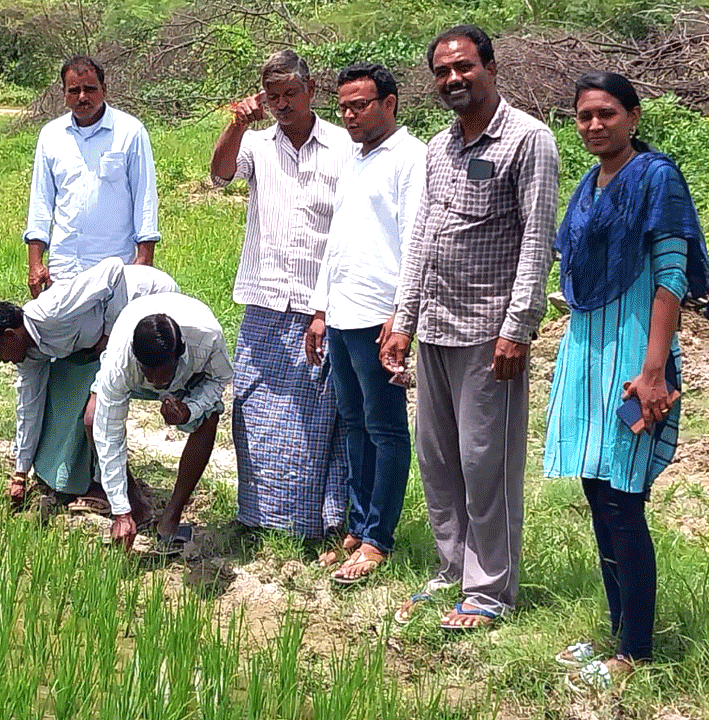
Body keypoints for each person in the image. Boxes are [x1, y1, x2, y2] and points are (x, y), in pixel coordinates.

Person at [380, 26, 559, 628]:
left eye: (463, 67)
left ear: (489, 67)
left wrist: (519, 327)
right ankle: (451, 570)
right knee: (439, 462)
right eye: (442, 71)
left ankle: (488, 592)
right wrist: (403, 319)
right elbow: (423, 239)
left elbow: (537, 241)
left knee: (487, 464)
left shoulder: (528, 140)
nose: (452, 79)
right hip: (434, 326)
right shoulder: (439, 147)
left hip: (490, 333)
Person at [545, 72, 709, 692]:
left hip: (635, 357)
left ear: (634, 116)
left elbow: (671, 275)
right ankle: (618, 632)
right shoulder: (589, 184)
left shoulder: (656, 177)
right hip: (587, 352)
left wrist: (653, 370)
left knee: (624, 503)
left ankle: (635, 651)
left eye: (606, 113)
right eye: (584, 115)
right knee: (597, 494)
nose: (593, 125)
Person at [211, 49, 354, 539]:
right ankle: (258, 516)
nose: (282, 104)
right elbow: (221, 173)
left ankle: (322, 523)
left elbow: (349, 229)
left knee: (320, 416)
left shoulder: (342, 146)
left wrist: (325, 305)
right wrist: (235, 125)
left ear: (311, 91)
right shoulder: (256, 144)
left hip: (322, 302)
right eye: (273, 97)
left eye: (290, 94)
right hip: (266, 299)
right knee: (254, 408)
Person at [304, 63, 426, 583]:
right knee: (353, 425)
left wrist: (402, 317)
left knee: (384, 427)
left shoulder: (411, 158)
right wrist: (320, 308)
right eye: (345, 106)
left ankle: (379, 538)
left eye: (361, 104)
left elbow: (416, 243)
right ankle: (358, 526)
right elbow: (338, 241)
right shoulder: (355, 159)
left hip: (381, 315)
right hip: (343, 312)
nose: (350, 114)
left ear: (390, 103)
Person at [0, 258, 178, 515]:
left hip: (148, 300)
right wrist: (20, 473)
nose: (0, 360)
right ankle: (73, 476)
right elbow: (29, 406)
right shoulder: (29, 355)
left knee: (96, 409)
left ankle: (111, 489)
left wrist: (111, 332)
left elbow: (112, 271)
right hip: (108, 336)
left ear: (11, 335)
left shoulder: (54, 309)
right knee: (64, 386)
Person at [89, 294, 233, 552]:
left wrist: (190, 410)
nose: (155, 381)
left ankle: (170, 519)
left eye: (163, 374)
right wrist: (120, 512)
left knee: (209, 417)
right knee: (91, 420)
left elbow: (220, 379)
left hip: (188, 380)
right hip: (129, 371)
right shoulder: (120, 363)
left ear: (179, 356)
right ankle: (133, 505)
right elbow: (109, 435)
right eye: (148, 372)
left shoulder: (207, 336)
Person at [24, 55, 159, 297]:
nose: (83, 97)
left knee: (114, 334)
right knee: (63, 333)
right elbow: (41, 202)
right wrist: (35, 263)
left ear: (104, 89)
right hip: (64, 267)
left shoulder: (130, 132)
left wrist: (143, 261)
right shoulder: (51, 135)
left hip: (116, 267)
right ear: (64, 93)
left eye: (90, 89)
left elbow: (145, 199)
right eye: (74, 91)